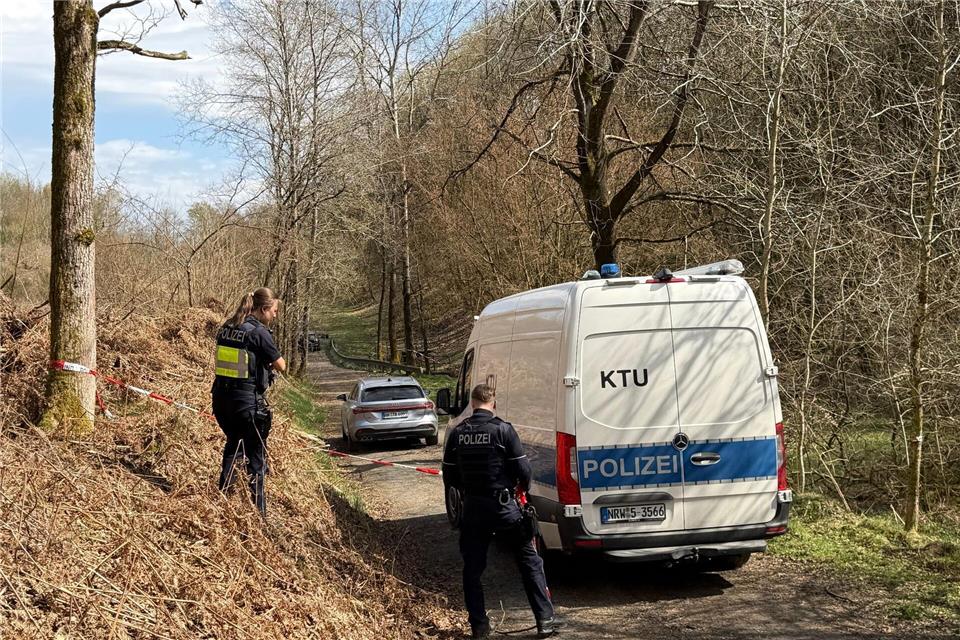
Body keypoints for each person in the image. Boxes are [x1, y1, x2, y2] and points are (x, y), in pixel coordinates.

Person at [442, 384, 562, 639]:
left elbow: (449, 476)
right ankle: (544, 620)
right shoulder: (503, 430)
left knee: (472, 570)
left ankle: (479, 626)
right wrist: (519, 490)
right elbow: (524, 471)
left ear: (472, 405)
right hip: (505, 508)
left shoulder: (458, 433)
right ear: (493, 404)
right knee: (529, 561)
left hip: (473, 509)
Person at [211, 287, 286, 517]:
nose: (274, 316)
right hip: (246, 404)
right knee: (256, 457)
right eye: (273, 311)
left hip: (221, 402)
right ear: (263, 309)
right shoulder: (258, 333)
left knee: (234, 444)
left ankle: (222, 501)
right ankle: (259, 515)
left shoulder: (226, 327)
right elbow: (281, 365)